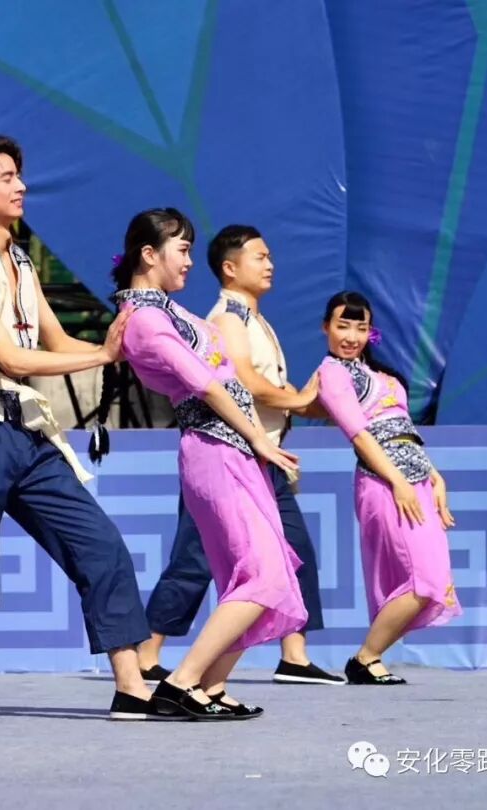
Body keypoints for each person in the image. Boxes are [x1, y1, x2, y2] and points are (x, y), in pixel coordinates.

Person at [0, 135, 161, 721]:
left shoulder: (21, 261)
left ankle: (131, 687)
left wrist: (120, 342)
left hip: (25, 426)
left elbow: (58, 341)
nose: (20, 186)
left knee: (101, 546)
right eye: (6, 177)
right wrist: (102, 356)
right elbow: (10, 356)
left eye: (19, 175)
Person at [102, 208, 306, 719]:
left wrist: (255, 441)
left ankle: (211, 686)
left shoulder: (168, 310)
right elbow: (207, 383)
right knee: (262, 575)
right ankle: (181, 682)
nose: (191, 260)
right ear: (149, 254)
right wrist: (258, 437)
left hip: (232, 449)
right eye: (183, 249)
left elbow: (220, 375)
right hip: (215, 450)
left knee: (269, 573)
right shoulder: (145, 320)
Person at [138, 224, 342, 686]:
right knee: (195, 560)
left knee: (291, 553)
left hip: (259, 457)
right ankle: (150, 655)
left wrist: (316, 404)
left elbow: (274, 387)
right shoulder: (227, 319)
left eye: (270, 256)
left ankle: (293, 655)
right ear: (230, 268)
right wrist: (301, 401)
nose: (270, 264)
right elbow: (245, 384)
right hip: (227, 453)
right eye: (259, 257)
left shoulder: (253, 319)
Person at [315, 290, 461, 684]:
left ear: (370, 333)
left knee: (435, 580)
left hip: (416, 479)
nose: (351, 336)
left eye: (360, 328)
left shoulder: (384, 376)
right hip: (384, 482)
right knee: (422, 580)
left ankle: (370, 657)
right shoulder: (332, 373)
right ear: (326, 327)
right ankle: (365, 658)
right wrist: (398, 482)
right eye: (343, 326)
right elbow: (360, 435)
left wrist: (434, 475)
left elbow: (405, 431)